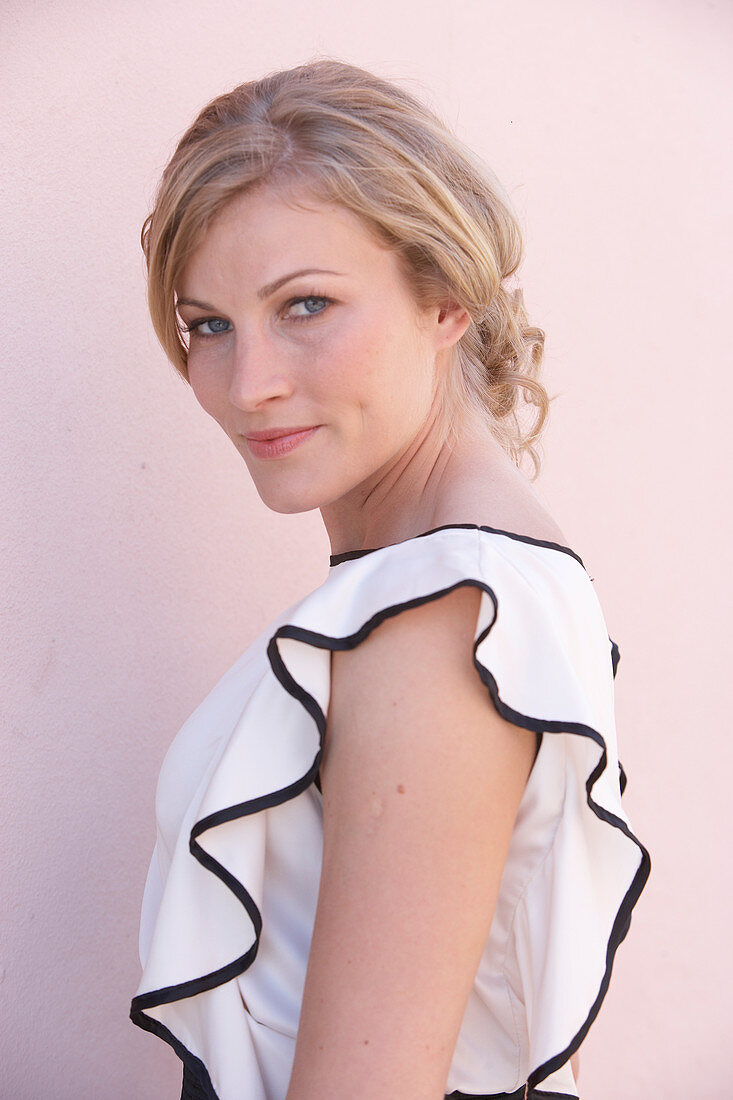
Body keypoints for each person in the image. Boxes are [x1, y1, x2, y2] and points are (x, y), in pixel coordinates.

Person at [130, 58, 650, 1100]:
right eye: (210, 325)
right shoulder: (454, 578)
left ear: (446, 296)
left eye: (307, 304)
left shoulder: (442, 615)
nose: (250, 384)